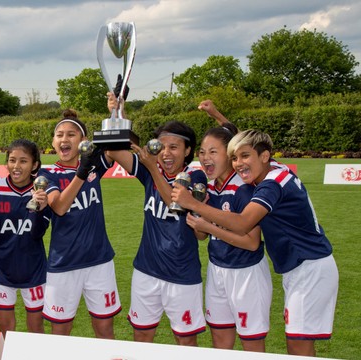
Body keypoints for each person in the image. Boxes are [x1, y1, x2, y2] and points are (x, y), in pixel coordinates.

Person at [172, 129, 338, 356]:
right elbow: (248, 142)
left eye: (245, 156)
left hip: (310, 265)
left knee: (298, 344)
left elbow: (243, 225)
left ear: (265, 156)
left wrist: (195, 205)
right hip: (298, 266)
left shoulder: (270, 185)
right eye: (235, 158)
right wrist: (219, 118)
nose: (239, 164)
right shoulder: (277, 169)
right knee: (296, 341)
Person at [107, 92, 206, 345]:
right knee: (141, 336)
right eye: (161, 147)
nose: (166, 153)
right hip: (146, 271)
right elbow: (115, 150)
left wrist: (151, 166)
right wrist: (117, 113)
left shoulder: (196, 179)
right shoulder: (152, 172)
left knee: (186, 342)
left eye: (174, 147)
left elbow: (174, 201)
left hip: (182, 275)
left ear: (188, 151)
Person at [38, 109, 121, 339]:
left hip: (99, 261)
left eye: (71, 134)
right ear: (53, 142)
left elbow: (116, 143)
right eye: (60, 135)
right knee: (60, 333)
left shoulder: (94, 164)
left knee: (105, 330)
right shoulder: (48, 173)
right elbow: (60, 207)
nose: (64, 139)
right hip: (64, 263)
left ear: (83, 141)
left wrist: (115, 109)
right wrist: (82, 173)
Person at [192, 125, 273, 352]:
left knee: (252, 342)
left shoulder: (244, 189)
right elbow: (201, 235)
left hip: (247, 273)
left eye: (213, 152)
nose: (205, 158)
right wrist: (196, 212)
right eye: (202, 152)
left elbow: (251, 242)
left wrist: (207, 224)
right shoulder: (207, 188)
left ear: (229, 155)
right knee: (220, 341)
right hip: (217, 270)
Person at [0, 139, 50, 336]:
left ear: (35, 165)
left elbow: (37, 234)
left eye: (23, 161)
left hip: (34, 270)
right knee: (6, 328)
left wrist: (38, 208)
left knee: (36, 328)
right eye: (12, 160)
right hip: (1, 271)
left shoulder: (43, 192)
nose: (16, 166)